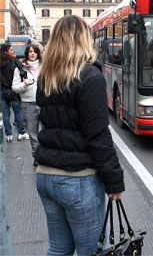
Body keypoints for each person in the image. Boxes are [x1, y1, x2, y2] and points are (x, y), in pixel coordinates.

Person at [35, 15, 125, 256]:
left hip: (45, 174)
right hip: (77, 178)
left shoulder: (47, 76)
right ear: (84, 40)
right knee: (92, 250)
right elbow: (97, 135)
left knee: (59, 249)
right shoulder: (90, 77)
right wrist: (114, 180)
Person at [12, 45, 42, 166]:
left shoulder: (45, 66)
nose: (33, 53)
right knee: (33, 133)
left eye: (35, 51)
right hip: (28, 103)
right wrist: (24, 85)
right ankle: (37, 156)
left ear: (38, 53)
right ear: (27, 54)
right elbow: (14, 88)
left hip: (45, 103)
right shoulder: (20, 69)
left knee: (47, 131)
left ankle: (46, 155)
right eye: (30, 52)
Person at [0, 43, 29, 142]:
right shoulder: (15, 62)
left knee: (6, 114)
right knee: (18, 112)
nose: (14, 52)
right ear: (6, 52)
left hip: (3, 91)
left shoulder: (1, 63)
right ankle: (21, 133)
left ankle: (9, 135)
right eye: (11, 50)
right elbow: (24, 73)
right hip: (14, 91)